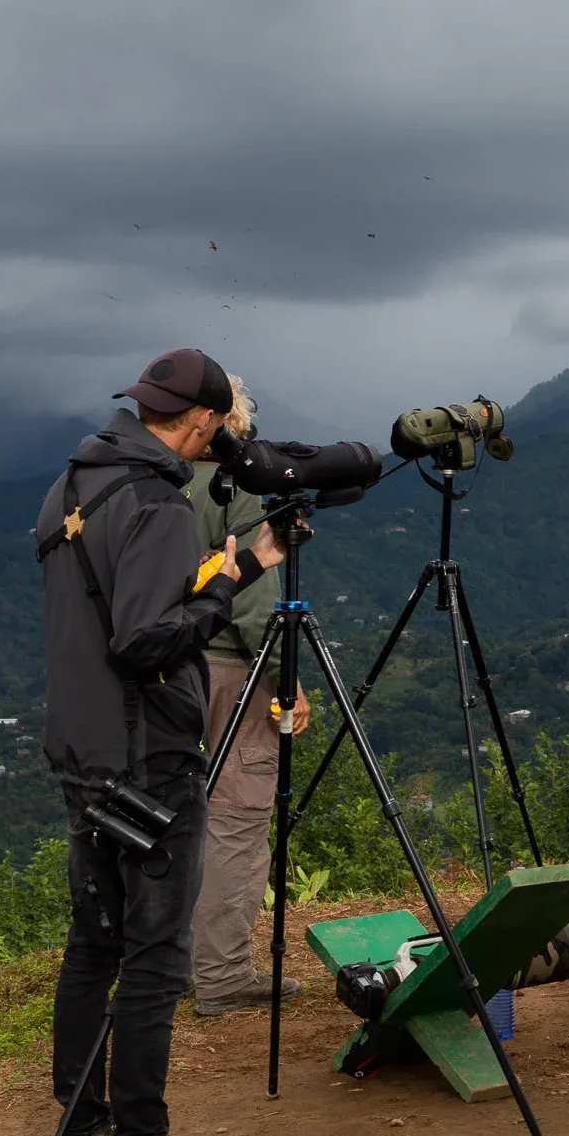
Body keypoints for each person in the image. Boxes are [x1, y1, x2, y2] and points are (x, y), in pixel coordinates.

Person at [37, 348, 287, 1136]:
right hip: (149, 759)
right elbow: (148, 638)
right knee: (152, 961)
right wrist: (226, 596)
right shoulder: (156, 502)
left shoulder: (76, 482)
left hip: (83, 749)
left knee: (93, 948)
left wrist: (246, 564)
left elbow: (122, 607)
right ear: (204, 422)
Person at [186, 377, 311, 1015]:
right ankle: (223, 974)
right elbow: (256, 606)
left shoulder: (161, 483)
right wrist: (288, 685)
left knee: (180, 814)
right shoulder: (234, 489)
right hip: (234, 667)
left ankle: (176, 960)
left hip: (169, 665)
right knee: (236, 818)